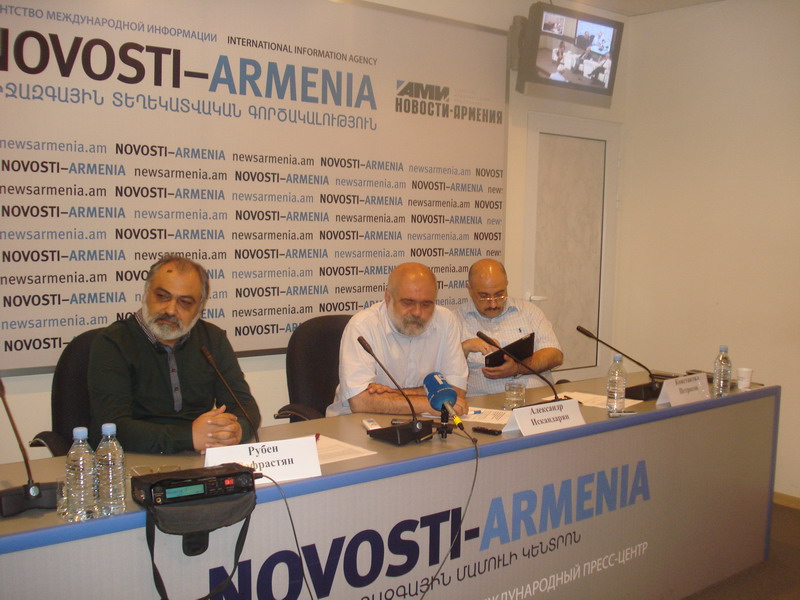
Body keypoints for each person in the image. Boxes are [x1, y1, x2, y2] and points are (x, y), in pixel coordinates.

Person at [88, 254, 260, 453]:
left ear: (199, 308)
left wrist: (236, 430)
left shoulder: (212, 339)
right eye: (162, 296)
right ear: (146, 294)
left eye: (185, 302)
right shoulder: (113, 343)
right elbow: (113, 427)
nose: (170, 310)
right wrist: (189, 437)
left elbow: (244, 406)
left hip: (200, 456)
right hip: (134, 459)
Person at [327, 262, 468, 417]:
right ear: (388, 298)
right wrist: (429, 402)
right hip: (358, 421)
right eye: (408, 303)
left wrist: (393, 395)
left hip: (424, 420)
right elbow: (360, 401)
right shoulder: (362, 327)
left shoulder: (446, 320)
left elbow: (456, 389)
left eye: (426, 304)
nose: (417, 312)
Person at [456, 259, 563, 397]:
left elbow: (555, 355)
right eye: (484, 296)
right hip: (485, 405)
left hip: (538, 401)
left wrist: (518, 368)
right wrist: (464, 348)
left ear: (506, 285)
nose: (493, 304)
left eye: (499, 294)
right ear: (470, 289)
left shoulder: (528, 311)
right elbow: (444, 374)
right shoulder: (455, 321)